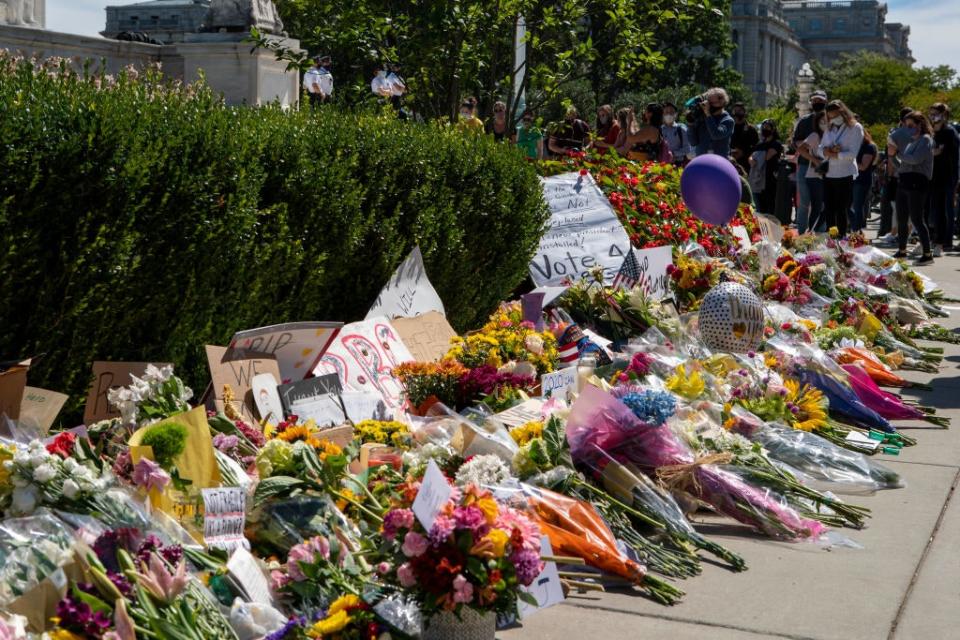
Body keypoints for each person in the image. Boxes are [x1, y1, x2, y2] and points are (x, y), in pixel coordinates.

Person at [894, 112, 935, 264]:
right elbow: (903, 165)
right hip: (905, 181)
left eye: (911, 125)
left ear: (920, 124)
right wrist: (892, 155)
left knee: (917, 219)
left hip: (918, 183)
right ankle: (902, 250)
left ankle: (927, 254)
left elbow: (915, 159)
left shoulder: (925, 139)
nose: (908, 128)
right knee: (902, 218)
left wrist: (898, 153)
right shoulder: (912, 141)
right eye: (906, 125)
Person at [818, 100, 864, 236]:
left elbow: (852, 154)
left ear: (843, 113)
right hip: (829, 172)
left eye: (835, 115)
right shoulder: (830, 127)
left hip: (845, 172)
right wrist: (826, 151)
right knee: (829, 208)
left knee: (841, 208)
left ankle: (842, 236)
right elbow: (820, 148)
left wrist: (835, 154)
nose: (833, 119)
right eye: (830, 116)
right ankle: (831, 237)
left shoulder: (855, 127)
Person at [792, 89, 828, 234]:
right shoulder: (804, 121)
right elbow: (796, 142)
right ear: (811, 102)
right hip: (804, 165)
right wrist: (810, 148)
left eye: (820, 101)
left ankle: (820, 233)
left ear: (826, 102)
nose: (817, 103)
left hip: (825, 168)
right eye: (815, 101)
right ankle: (802, 234)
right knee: (804, 202)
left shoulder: (830, 121)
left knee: (821, 203)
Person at [881, 107, 916, 244]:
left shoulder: (896, 134)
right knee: (901, 206)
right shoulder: (915, 133)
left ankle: (902, 232)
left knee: (900, 206)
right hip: (908, 172)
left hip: (899, 173)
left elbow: (891, 157)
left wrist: (889, 175)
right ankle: (898, 231)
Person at [928, 103, 958, 254]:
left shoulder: (949, 132)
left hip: (947, 176)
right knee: (934, 209)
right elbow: (932, 151)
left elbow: (938, 152)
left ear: (943, 114)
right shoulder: (932, 132)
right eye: (931, 114)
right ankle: (934, 240)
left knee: (945, 210)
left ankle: (943, 242)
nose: (933, 117)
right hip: (933, 175)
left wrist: (933, 151)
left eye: (935, 114)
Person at [748, 119, 784, 215]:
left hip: (770, 179)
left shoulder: (776, 143)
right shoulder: (759, 144)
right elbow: (752, 156)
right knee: (759, 207)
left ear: (773, 129)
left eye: (767, 127)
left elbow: (767, 156)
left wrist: (756, 157)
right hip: (758, 179)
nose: (765, 129)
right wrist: (751, 159)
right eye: (763, 128)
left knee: (770, 206)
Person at [687, 87, 735, 157]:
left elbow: (716, 135)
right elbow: (693, 142)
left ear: (722, 103)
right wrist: (690, 124)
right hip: (702, 160)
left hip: (719, 162)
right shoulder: (702, 118)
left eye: (712, 103)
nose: (708, 105)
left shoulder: (728, 120)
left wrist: (708, 114)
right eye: (708, 102)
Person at [850, 125, 878, 233]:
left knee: (858, 206)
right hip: (852, 179)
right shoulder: (853, 146)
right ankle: (856, 228)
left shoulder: (869, 147)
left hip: (862, 181)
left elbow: (863, 166)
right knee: (847, 206)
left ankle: (858, 230)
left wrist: (848, 159)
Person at [731, 103, 760, 173]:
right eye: (735, 111)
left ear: (744, 112)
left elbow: (756, 148)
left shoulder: (751, 129)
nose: (737, 113)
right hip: (730, 163)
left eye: (739, 111)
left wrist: (744, 152)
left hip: (745, 165)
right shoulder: (730, 127)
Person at [661, 102, 691, 167]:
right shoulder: (660, 130)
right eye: (666, 112)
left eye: (671, 112)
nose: (668, 114)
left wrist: (673, 154)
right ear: (662, 114)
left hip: (679, 164)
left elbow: (687, 148)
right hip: (662, 164)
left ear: (676, 114)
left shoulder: (681, 129)